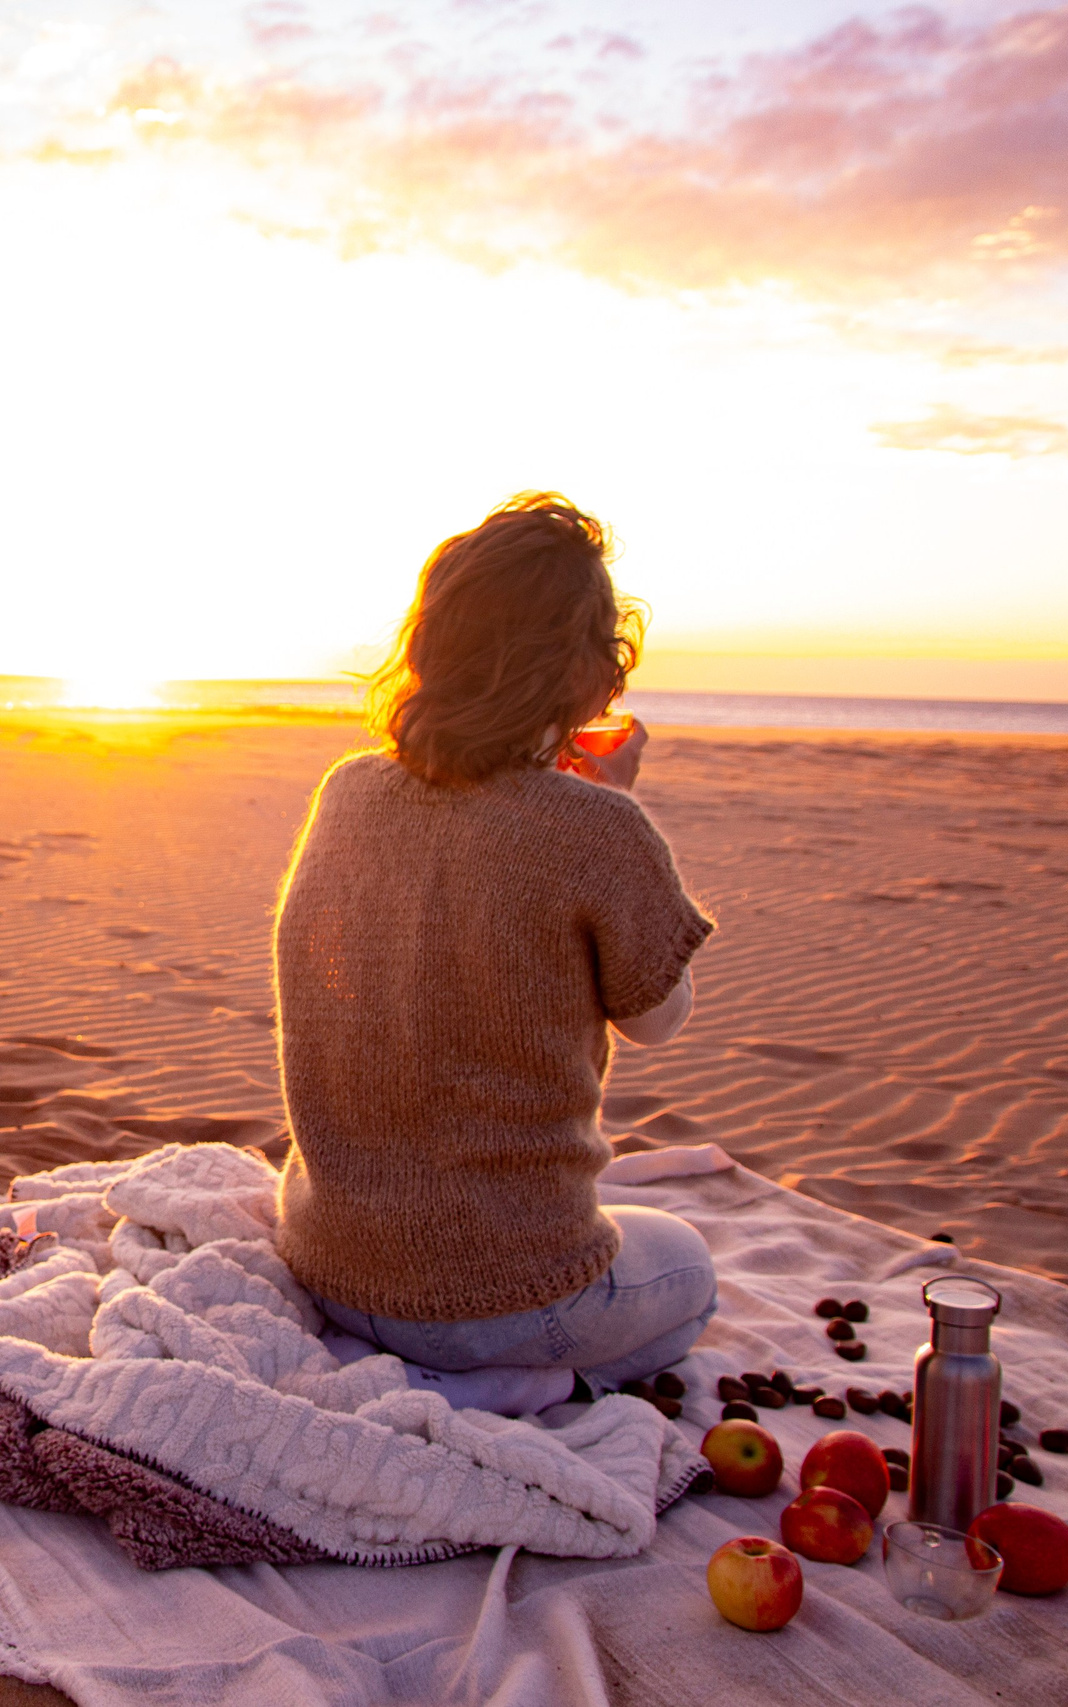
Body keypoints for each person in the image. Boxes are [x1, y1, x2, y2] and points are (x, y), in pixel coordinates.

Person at [271, 492, 718, 1417]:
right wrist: (613, 806)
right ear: (587, 665)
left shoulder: (349, 790)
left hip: (329, 1262)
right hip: (505, 1303)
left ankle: (424, 1360)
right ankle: (514, 1383)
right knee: (690, 1269)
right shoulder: (597, 826)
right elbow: (658, 1020)